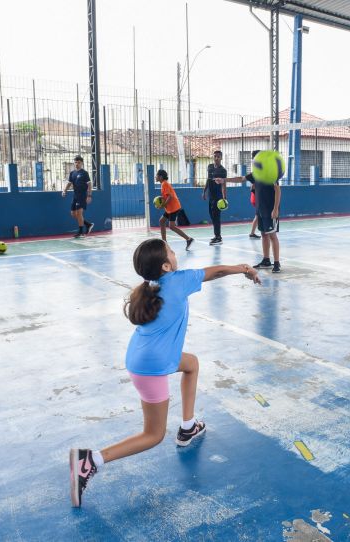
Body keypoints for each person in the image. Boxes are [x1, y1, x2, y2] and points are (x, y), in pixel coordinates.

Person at [69, 239, 261, 507]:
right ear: (166, 265)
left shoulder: (149, 286)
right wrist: (244, 268)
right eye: (171, 251)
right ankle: (91, 460)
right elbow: (215, 272)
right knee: (153, 435)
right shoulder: (177, 280)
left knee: (191, 364)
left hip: (144, 356)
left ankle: (188, 427)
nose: (174, 252)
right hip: (151, 367)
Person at [215, 150, 283, 273]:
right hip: (260, 209)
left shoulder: (271, 173)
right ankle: (266, 260)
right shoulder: (256, 174)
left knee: (272, 235)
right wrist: (224, 180)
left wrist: (275, 209)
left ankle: (277, 263)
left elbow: (278, 190)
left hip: (270, 210)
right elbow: (241, 178)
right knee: (263, 234)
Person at [156, 170, 193, 250]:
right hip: (170, 208)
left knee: (171, 226)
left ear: (161, 177)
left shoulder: (165, 184)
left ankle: (189, 239)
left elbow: (170, 197)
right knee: (161, 221)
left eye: (157, 175)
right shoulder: (163, 184)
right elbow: (167, 196)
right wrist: (162, 200)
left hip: (173, 208)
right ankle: (164, 241)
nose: (155, 177)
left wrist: (162, 205)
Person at [61, 156, 93, 238]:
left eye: (78, 162)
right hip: (75, 195)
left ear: (82, 163)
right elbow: (69, 183)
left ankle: (80, 231)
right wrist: (64, 190)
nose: (77, 164)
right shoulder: (72, 173)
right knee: (73, 214)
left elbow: (89, 185)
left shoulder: (84, 173)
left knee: (79, 213)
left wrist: (89, 195)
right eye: (75, 162)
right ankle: (88, 224)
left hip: (82, 195)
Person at [203, 150, 227, 245]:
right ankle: (216, 235)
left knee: (216, 217)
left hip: (218, 197)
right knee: (212, 216)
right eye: (215, 156)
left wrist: (224, 197)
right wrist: (204, 192)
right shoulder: (210, 167)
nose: (216, 158)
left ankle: (218, 237)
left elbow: (224, 184)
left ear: (221, 158)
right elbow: (208, 180)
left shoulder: (223, 170)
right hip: (210, 196)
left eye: (218, 157)